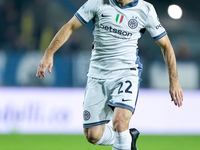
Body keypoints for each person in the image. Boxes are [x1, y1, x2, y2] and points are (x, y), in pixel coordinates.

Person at [36, 0, 183, 149]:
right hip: (97, 75)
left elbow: (166, 45)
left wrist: (174, 80)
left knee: (119, 122)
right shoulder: (97, 3)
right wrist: (49, 52)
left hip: (126, 73)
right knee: (93, 135)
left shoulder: (145, 9)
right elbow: (70, 26)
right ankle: (126, 137)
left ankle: (122, 136)